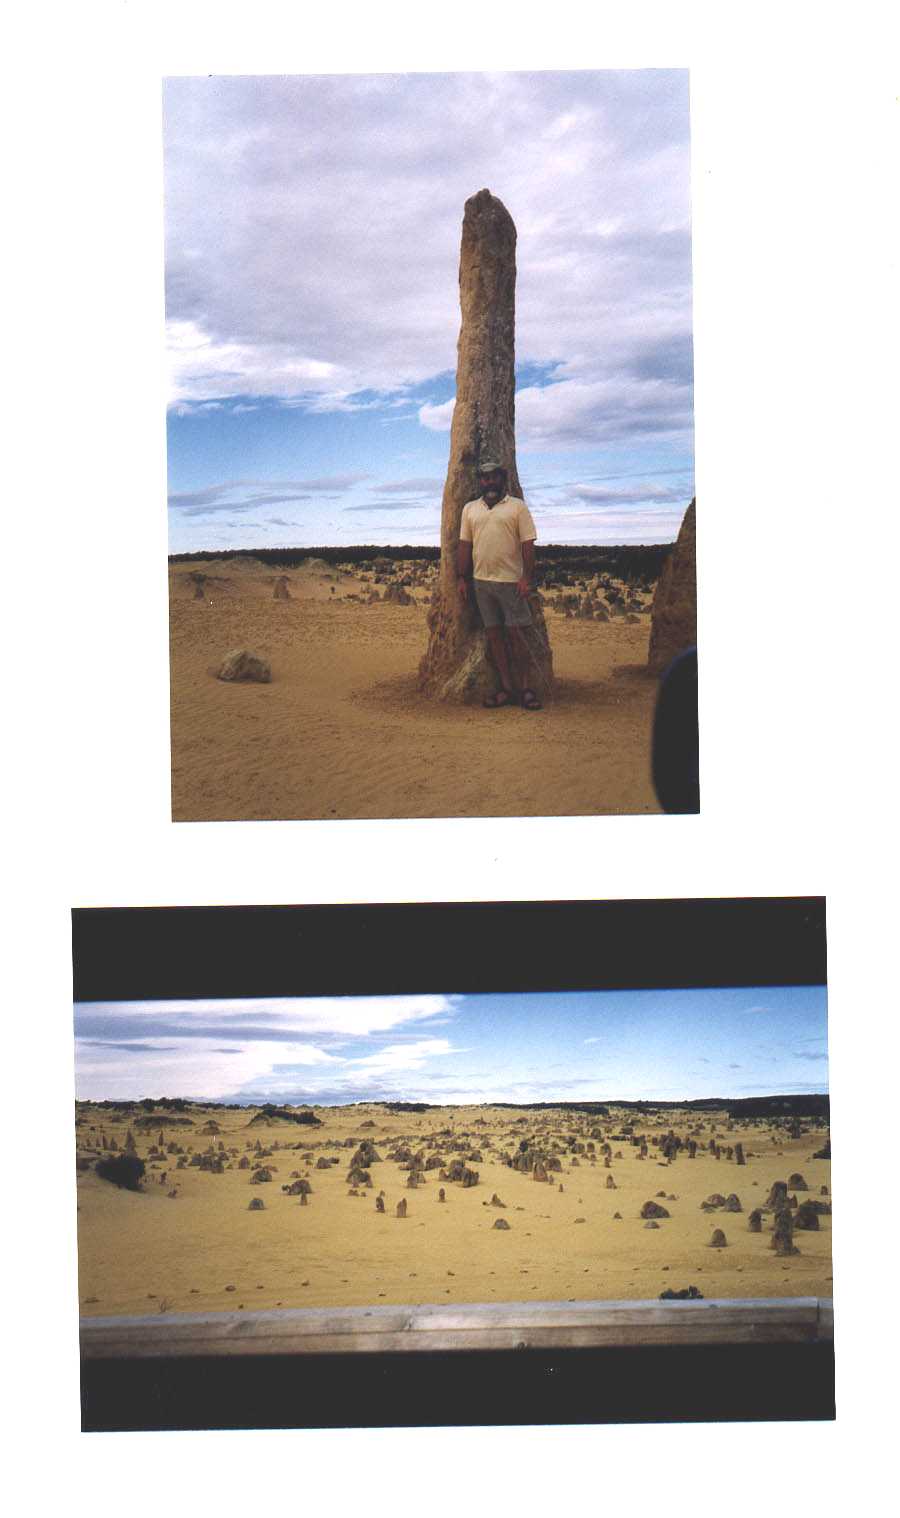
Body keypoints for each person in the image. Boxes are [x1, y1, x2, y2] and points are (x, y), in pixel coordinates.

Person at [456, 460, 542, 709]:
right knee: (494, 637)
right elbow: (465, 545)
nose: (489, 482)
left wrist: (526, 577)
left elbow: (528, 544)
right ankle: (506, 688)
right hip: (481, 583)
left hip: (511, 583)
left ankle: (525, 689)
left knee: (517, 637)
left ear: (503, 479)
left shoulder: (517, 507)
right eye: (484, 478)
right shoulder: (470, 509)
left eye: (494, 477)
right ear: (480, 482)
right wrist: (462, 577)